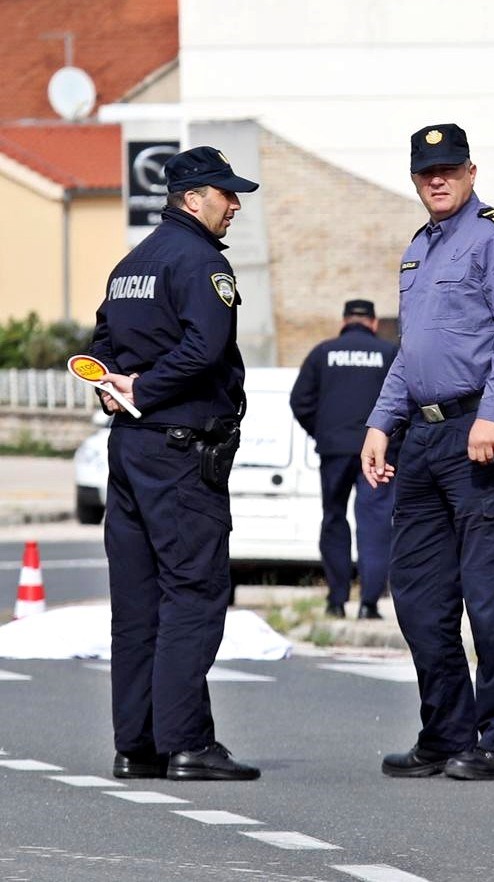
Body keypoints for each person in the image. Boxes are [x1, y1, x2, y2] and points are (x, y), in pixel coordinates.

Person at [361, 123, 494, 781]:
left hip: (483, 436)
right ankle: (445, 732)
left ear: (470, 172)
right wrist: (382, 422)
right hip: (424, 437)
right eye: (424, 173)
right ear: (415, 180)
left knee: (492, 598)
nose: (436, 180)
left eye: (448, 169)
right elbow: (412, 353)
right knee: (416, 594)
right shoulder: (419, 249)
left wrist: (493, 413)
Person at [88, 146, 262, 782]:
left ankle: (138, 746)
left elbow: (101, 345)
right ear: (193, 199)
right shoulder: (200, 262)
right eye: (226, 194)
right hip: (181, 449)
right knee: (193, 591)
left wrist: (115, 385)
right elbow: (205, 347)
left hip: (131, 450)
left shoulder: (130, 264)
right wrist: (147, 389)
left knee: (137, 602)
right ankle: (187, 742)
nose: (235, 205)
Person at [291, 299, 399, 620]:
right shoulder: (389, 354)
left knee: (334, 519)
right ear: (374, 322)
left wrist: (323, 432)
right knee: (375, 522)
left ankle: (336, 601)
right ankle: (369, 603)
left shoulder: (323, 353)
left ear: (343, 321)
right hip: (378, 452)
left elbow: (300, 401)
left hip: (334, 450)